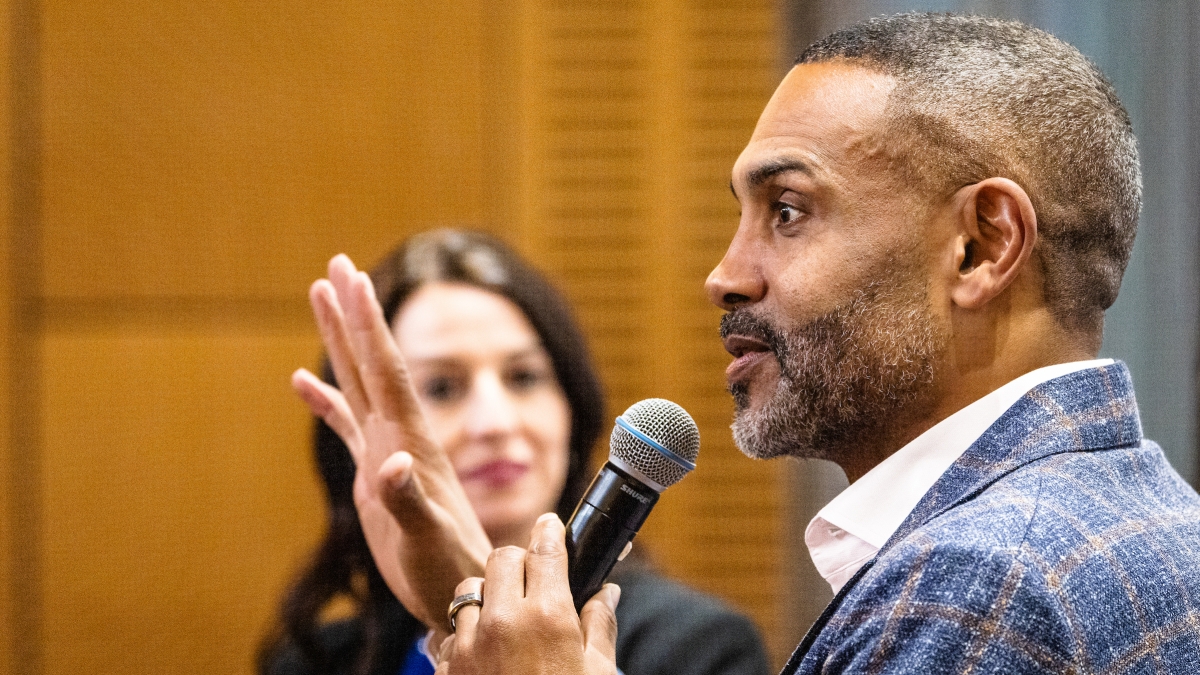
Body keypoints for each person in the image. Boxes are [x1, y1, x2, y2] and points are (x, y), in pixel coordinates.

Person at [293, 12, 1200, 675]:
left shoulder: (972, 593)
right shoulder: (1148, 511)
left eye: (789, 212)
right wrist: (482, 607)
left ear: (981, 245)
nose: (725, 274)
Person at [260, 229, 769, 675]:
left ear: (573, 408)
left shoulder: (698, 650)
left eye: (524, 378)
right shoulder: (317, 660)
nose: (496, 422)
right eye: (441, 388)